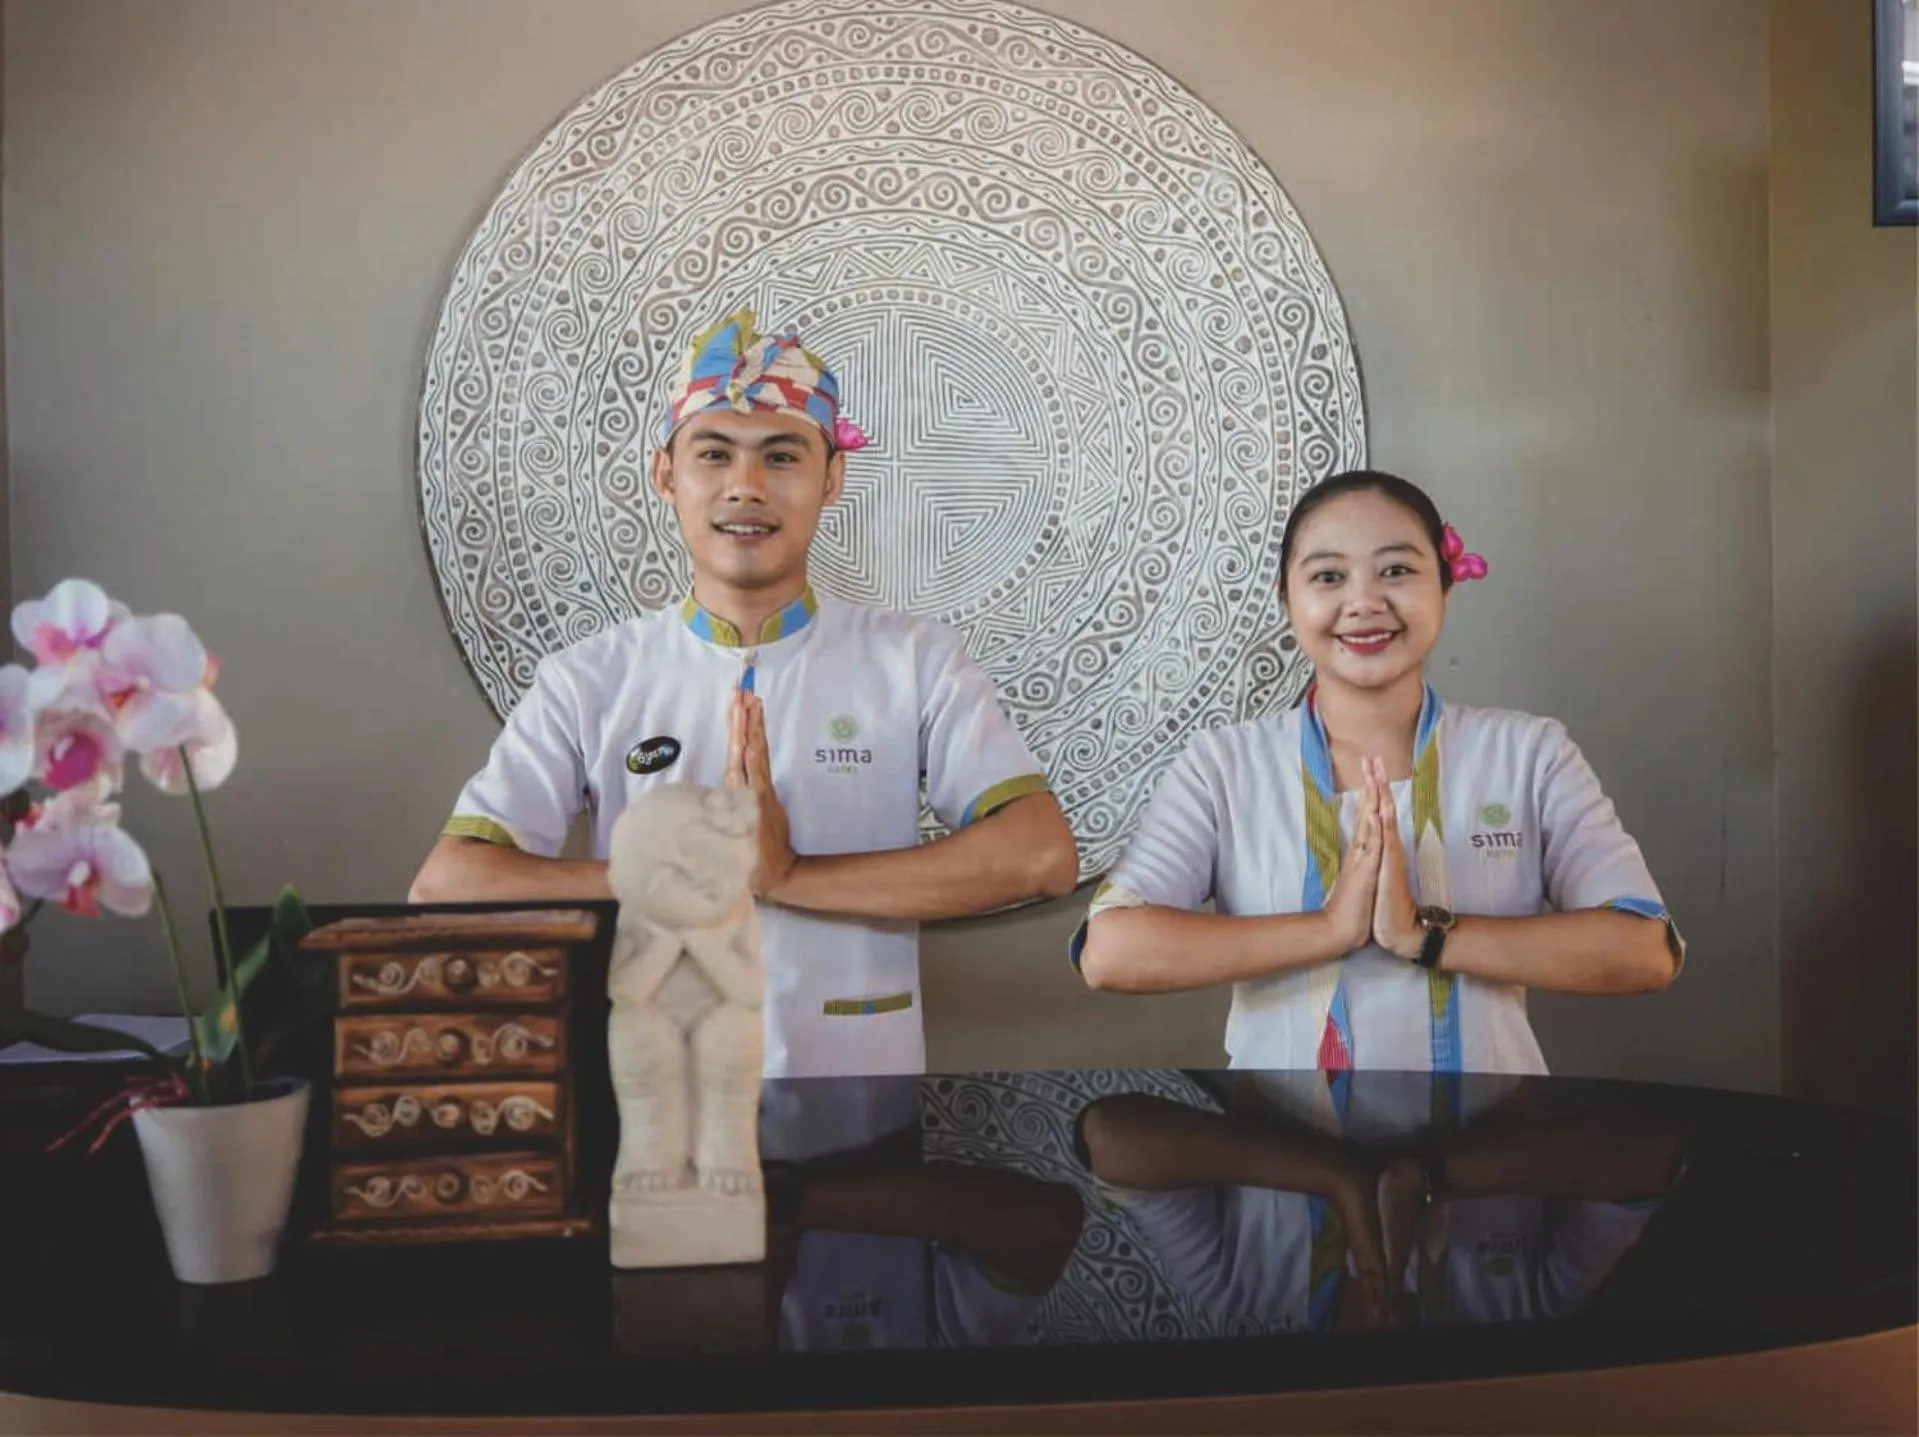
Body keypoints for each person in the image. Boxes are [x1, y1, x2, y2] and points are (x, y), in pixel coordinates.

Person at [410, 310, 1080, 1077]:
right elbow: (450, 881)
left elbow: (1039, 855)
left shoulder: (915, 662)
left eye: (781, 456)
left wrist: (790, 875)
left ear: (832, 479)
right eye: (714, 454)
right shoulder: (589, 680)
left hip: (859, 1091)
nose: (745, 486)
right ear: (666, 475)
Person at [1071, 469, 1681, 1073]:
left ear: (1444, 587)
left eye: (1396, 570)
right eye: (1328, 576)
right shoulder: (1224, 766)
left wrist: (1425, 935)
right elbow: (1112, 952)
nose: (1364, 602)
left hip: (1490, 1151)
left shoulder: (1529, 754)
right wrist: (1329, 929)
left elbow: (1644, 950)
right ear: (1287, 599)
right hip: (1280, 1155)